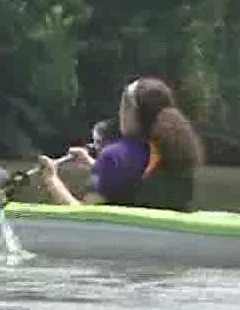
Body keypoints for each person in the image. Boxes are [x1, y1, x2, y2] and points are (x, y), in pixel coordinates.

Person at [35, 76, 203, 211]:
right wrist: (94, 165)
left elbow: (81, 215)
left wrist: (51, 179)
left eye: (123, 105)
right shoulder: (178, 152)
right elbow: (134, 180)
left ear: (131, 112)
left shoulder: (115, 155)